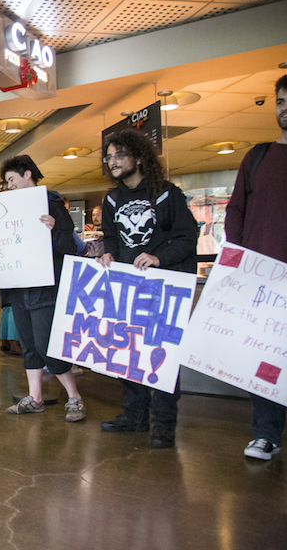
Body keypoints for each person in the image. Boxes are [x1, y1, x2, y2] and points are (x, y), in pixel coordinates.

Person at [97, 129, 197, 449]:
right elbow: (111, 237)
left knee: (162, 356)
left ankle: (164, 424)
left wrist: (158, 257)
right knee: (129, 353)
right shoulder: (111, 199)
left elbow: (186, 238)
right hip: (128, 288)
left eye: (119, 155)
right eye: (109, 156)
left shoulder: (167, 194)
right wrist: (108, 253)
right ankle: (134, 416)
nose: (112, 161)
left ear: (138, 158)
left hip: (163, 288)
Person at [225, 74, 287, 460]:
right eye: (281, 101)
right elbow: (236, 210)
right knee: (264, 357)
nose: (285, 108)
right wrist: (239, 256)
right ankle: (266, 433)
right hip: (261, 279)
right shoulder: (258, 157)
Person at [0, 156, 86, 422]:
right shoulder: (9, 208)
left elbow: (69, 245)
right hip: (19, 284)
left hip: (44, 286)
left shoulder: (52, 202)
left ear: (27, 175)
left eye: (11, 180)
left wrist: (54, 228)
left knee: (46, 343)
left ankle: (75, 396)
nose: (9, 186)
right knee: (28, 342)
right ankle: (35, 397)